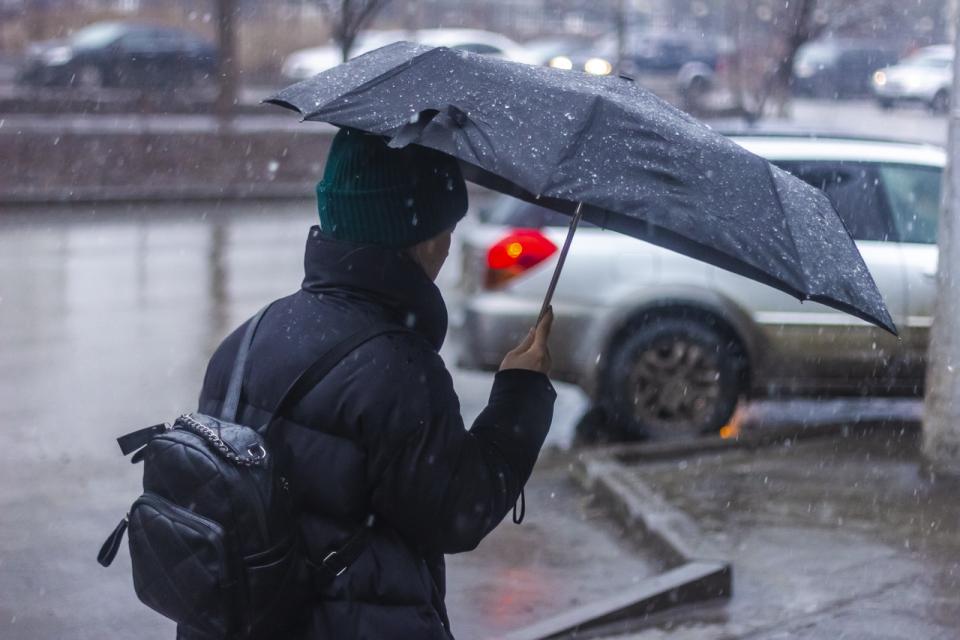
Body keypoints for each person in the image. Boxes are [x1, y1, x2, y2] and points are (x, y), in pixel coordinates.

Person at [198, 128, 556, 639]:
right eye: (447, 229)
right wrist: (520, 396)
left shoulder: (251, 335)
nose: (449, 247)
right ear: (426, 236)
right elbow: (458, 513)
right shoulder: (399, 369)